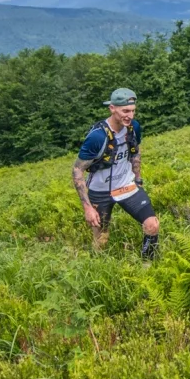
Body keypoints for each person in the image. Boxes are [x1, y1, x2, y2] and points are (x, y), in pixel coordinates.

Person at [71, 88, 160, 259]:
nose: (130, 115)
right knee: (101, 240)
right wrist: (88, 207)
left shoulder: (134, 127)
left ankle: (148, 266)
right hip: (100, 191)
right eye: (125, 111)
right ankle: (100, 269)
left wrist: (138, 179)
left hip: (127, 185)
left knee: (152, 225)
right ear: (112, 108)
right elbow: (77, 170)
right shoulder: (97, 137)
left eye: (133, 111)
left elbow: (135, 152)